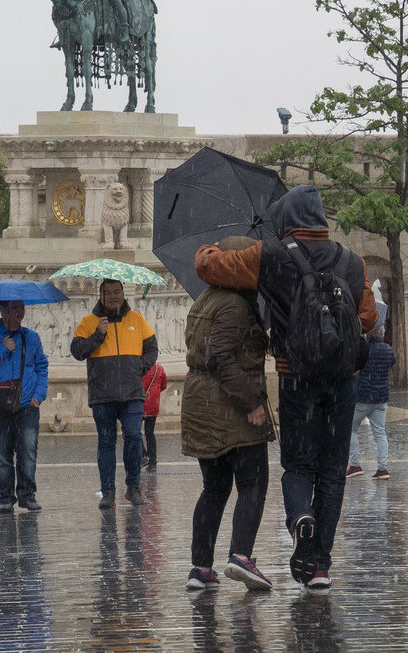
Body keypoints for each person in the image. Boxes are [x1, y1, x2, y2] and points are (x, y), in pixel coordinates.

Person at [196, 185, 380, 588]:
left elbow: (211, 268)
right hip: (343, 382)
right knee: (332, 472)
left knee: (298, 464)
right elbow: (366, 319)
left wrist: (208, 249)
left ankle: (300, 517)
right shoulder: (352, 261)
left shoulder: (270, 255)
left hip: (297, 376)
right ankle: (320, 568)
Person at [181, 236, 276, 591]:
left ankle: (200, 567)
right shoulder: (235, 304)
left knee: (214, 487)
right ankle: (241, 555)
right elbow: (219, 357)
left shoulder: (206, 297)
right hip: (229, 405)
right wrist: (252, 402)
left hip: (200, 402)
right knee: (253, 482)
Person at [70, 278, 159, 508]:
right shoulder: (89, 321)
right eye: (108, 292)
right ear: (100, 295)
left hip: (131, 393)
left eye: (117, 291)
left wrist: (140, 366)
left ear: (123, 293)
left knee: (133, 437)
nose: (113, 296)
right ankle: (108, 491)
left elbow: (152, 348)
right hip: (103, 394)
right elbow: (77, 351)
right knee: (106, 443)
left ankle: (133, 487)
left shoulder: (137, 319)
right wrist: (97, 335)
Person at [0, 300, 50, 512]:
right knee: (1, 454)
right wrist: (2, 349)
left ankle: (27, 494)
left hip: (26, 405)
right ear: (3, 310)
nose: (19, 312)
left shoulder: (31, 337)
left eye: (21, 308)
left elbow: (42, 366)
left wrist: (39, 394)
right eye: (14, 308)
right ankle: (6, 497)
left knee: (28, 451)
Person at [349, 318, 395, 481]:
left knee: (351, 429)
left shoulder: (363, 349)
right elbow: (392, 363)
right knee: (380, 433)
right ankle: (382, 468)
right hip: (381, 398)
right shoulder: (388, 349)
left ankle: (355, 465)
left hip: (362, 397)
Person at [141, 362, 167, 471]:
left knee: (131, 432)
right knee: (150, 433)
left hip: (139, 404)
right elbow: (164, 385)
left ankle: (143, 455)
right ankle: (153, 463)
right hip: (153, 406)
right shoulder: (159, 368)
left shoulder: (139, 367)